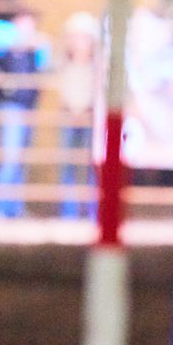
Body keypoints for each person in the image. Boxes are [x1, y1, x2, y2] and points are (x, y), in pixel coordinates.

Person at [0, 9, 49, 217]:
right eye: (25, 23)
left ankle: (14, 208)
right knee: (10, 159)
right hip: (10, 108)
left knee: (20, 159)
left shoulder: (35, 52)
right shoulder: (4, 50)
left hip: (28, 109)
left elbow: (45, 70)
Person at [58, 12, 101, 219]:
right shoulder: (65, 65)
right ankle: (70, 212)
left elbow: (96, 91)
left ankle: (93, 212)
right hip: (69, 117)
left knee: (91, 166)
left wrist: (84, 110)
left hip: (89, 119)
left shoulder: (97, 67)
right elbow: (64, 91)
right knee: (68, 165)